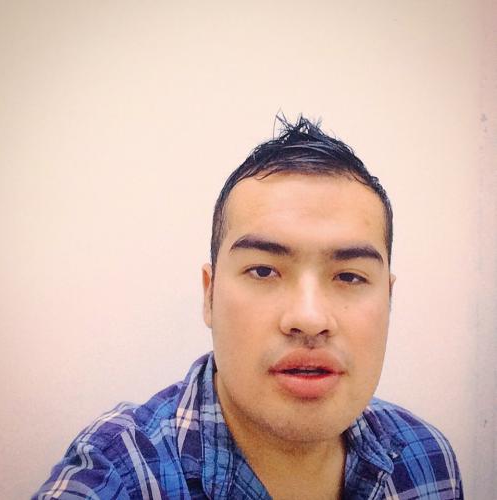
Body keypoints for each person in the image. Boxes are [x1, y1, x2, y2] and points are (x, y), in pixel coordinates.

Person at [34, 116, 463, 499]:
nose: (309, 318)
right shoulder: (119, 477)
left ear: (389, 299)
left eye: (349, 276)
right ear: (209, 295)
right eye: (263, 270)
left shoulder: (427, 461)